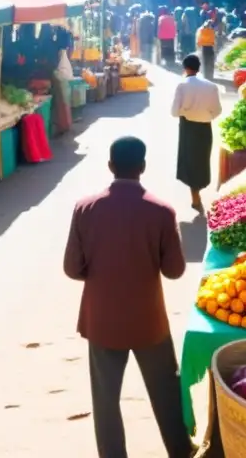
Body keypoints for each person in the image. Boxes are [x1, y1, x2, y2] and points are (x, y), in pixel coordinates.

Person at [63, 137, 192, 458]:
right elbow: (174, 271)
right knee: (165, 392)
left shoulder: (85, 208)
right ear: (143, 167)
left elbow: (72, 268)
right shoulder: (161, 211)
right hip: (148, 322)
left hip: (102, 320)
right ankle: (180, 451)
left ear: (110, 166)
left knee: (105, 400)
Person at [172, 54, 222, 213]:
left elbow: (174, 112)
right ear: (199, 67)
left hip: (188, 127)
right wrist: (205, 116)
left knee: (188, 160)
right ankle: (198, 191)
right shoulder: (211, 86)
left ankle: (195, 195)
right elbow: (218, 110)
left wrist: (186, 112)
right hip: (205, 127)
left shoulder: (182, 85)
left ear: (185, 68)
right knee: (202, 159)